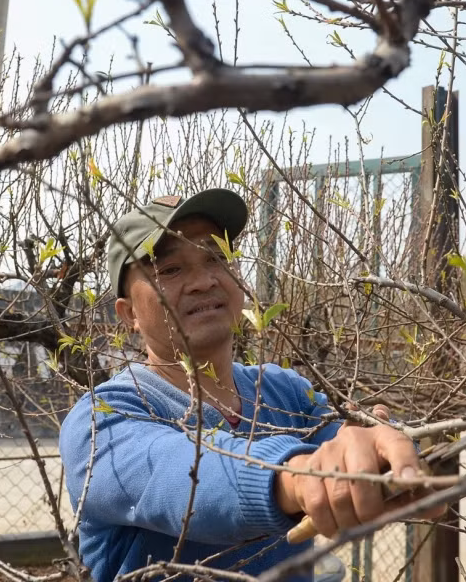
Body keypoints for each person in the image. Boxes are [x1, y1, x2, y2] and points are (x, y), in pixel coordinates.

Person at [59, 189, 438, 582]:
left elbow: (349, 442)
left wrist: (386, 451)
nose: (203, 281)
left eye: (216, 258)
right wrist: (299, 476)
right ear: (129, 314)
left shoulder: (283, 390)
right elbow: (182, 477)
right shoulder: (101, 420)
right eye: (170, 270)